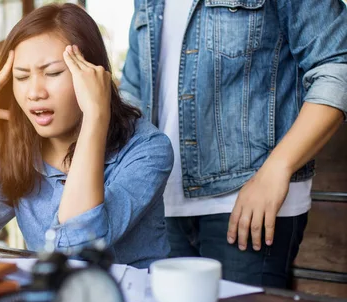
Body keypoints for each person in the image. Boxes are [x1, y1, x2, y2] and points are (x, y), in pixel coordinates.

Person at [120, 0, 347, 286]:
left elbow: (337, 67)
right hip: (161, 206)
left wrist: (278, 167)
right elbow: (133, 92)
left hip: (250, 202)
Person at [0, 4, 174, 268]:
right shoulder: (17, 149)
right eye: (21, 77)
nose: (35, 92)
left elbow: (77, 245)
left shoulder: (148, 149)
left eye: (53, 73)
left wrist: (96, 115)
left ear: (93, 76)